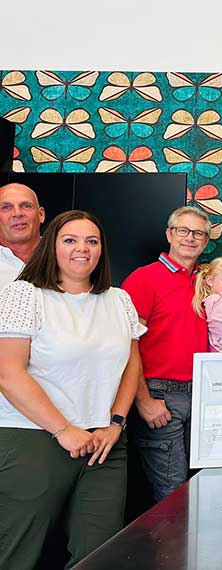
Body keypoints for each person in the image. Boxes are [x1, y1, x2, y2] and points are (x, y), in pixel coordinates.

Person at [0, 210, 145, 569]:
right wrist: (63, 429)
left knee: (99, 555)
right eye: (70, 240)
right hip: (34, 437)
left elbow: (131, 365)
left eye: (92, 241)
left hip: (104, 443)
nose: (82, 248)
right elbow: (8, 372)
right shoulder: (25, 294)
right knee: (17, 553)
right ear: (52, 246)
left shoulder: (119, 300)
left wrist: (115, 423)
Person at [122, 206, 209, 502]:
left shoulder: (206, 282)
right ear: (169, 234)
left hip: (203, 395)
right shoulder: (144, 279)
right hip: (161, 395)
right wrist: (144, 401)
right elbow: (126, 344)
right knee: (172, 494)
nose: (190, 238)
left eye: (198, 233)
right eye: (183, 230)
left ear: (206, 241)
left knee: (203, 487)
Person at [0, 182, 44, 288]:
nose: (17, 213)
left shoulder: (66, 256)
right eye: (6, 207)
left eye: (26, 206)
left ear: (41, 215)